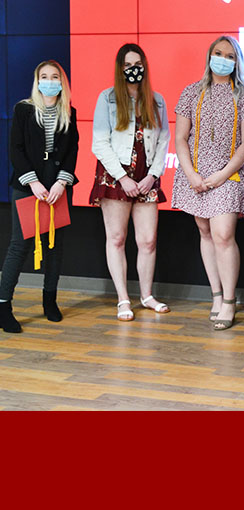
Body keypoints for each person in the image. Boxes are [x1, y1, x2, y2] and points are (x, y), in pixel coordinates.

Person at [172, 35, 244, 330]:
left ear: (237, 62)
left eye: (230, 55)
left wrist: (222, 175)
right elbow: (181, 138)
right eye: (218, 53)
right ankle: (216, 294)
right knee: (205, 231)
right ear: (209, 56)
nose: (223, 59)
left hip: (229, 175)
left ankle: (229, 301)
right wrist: (191, 174)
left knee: (223, 234)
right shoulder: (191, 92)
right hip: (196, 176)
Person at [90, 43, 171, 321]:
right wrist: (122, 177)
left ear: (145, 66)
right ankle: (123, 299)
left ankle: (146, 296)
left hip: (147, 178)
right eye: (127, 65)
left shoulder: (157, 100)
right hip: (115, 177)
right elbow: (99, 143)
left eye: (137, 64)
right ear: (119, 68)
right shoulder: (107, 98)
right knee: (117, 238)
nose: (133, 69)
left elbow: (163, 142)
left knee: (148, 240)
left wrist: (153, 175)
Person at [1, 61, 79, 333]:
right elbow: (16, 149)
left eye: (54, 76)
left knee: (54, 247)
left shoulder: (69, 111)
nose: (49, 81)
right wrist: (33, 182)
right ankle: (3, 306)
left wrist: (61, 182)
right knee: (19, 247)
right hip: (28, 187)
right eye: (44, 77)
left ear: (62, 81)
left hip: (57, 188)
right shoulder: (24, 109)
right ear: (37, 81)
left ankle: (50, 301)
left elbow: (72, 152)